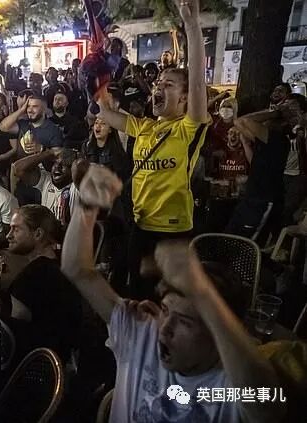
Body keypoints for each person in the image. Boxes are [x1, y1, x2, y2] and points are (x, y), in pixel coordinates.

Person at [62, 163, 285, 423]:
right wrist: (87, 205)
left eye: (186, 322)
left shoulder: (227, 384)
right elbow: (77, 269)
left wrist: (202, 293)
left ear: (218, 335)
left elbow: (268, 408)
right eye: (166, 310)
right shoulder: (143, 336)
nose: (165, 328)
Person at [96, 0, 209, 300]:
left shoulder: (187, 128)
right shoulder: (143, 127)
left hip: (172, 233)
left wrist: (192, 26)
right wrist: (97, 75)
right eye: (158, 82)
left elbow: (198, 82)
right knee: (138, 294)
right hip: (140, 225)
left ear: (185, 99)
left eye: (169, 85)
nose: (159, 87)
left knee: (167, 300)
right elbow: (105, 112)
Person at [0, 205, 82, 362]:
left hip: (38, 363)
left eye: (16, 230)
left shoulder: (30, 278)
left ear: (38, 234)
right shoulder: (62, 262)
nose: (8, 235)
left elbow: (14, 335)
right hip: (63, 356)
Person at [228, 95, 297, 241]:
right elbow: (255, 161)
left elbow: (244, 120)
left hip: (263, 200)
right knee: (232, 237)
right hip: (253, 195)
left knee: (246, 242)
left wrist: (275, 112)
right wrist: (245, 144)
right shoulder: (267, 140)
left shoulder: (276, 138)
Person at [13, 148, 77, 225]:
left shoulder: (77, 187)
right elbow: (18, 169)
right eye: (55, 163)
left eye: (65, 164)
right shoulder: (47, 181)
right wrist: (49, 153)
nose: (57, 167)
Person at [0, 96, 64, 157]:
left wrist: (41, 148)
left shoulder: (54, 130)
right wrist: (21, 110)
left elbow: (58, 155)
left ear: (44, 109)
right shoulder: (23, 124)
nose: (30, 110)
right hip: (20, 165)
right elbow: (3, 127)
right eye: (28, 106)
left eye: (34, 106)